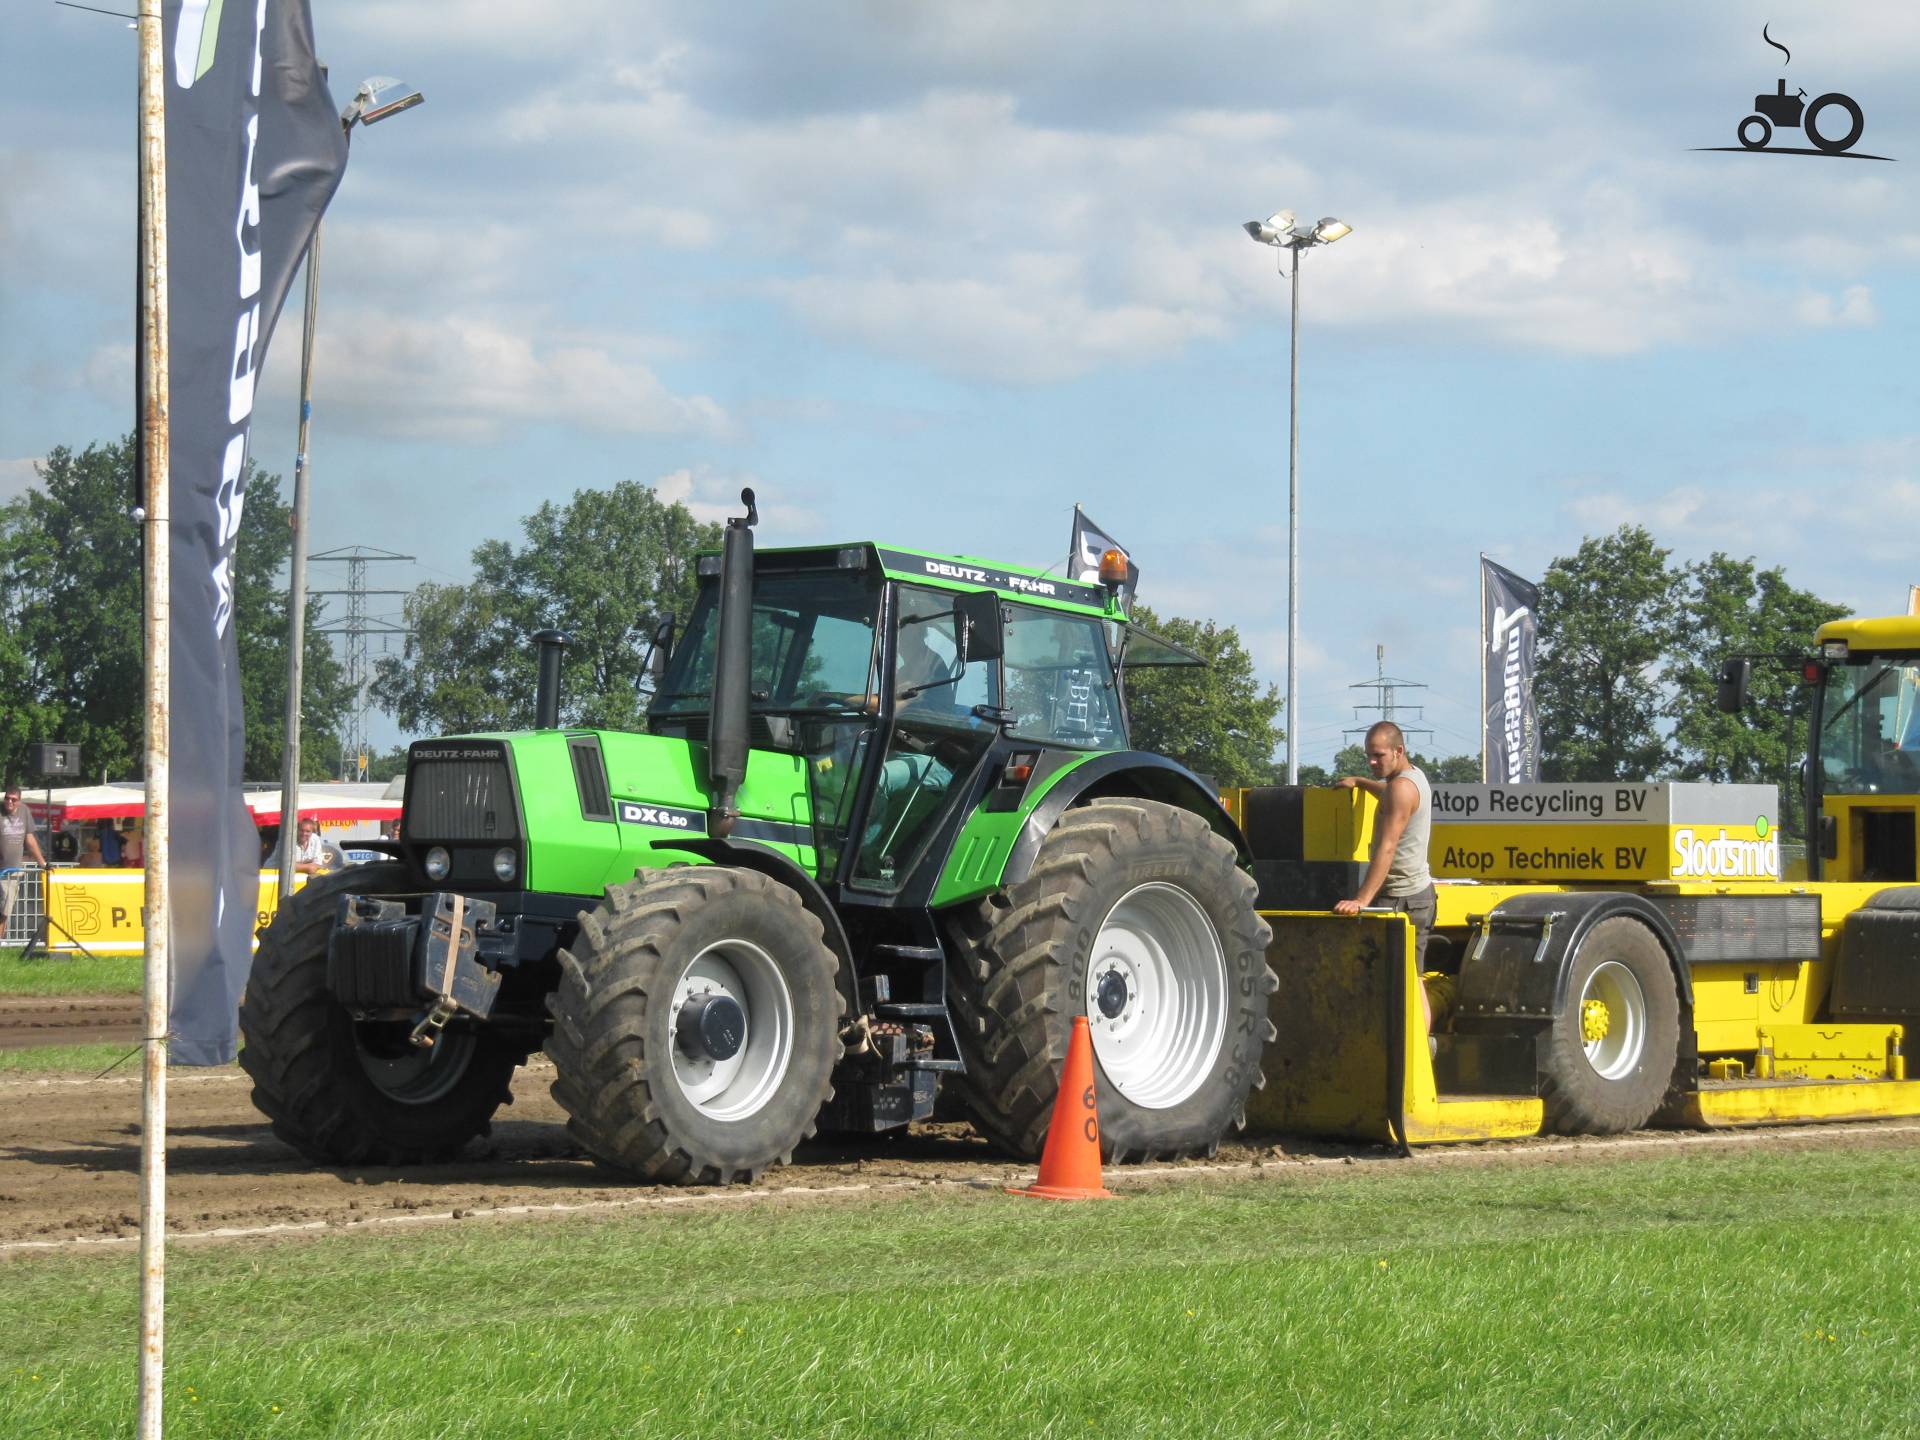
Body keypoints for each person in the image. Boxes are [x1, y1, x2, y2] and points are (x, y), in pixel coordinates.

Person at [1333, 722, 1437, 1031]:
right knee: (1404, 977)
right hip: (1415, 893)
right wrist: (1361, 782)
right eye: (1368, 756)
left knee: (1409, 978)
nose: (1372, 762)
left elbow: (1387, 850)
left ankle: (1419, 1052)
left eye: (1378, 756)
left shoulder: (1402, 789)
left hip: (1404, 898)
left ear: (1399, 750)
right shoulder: (1411, 779)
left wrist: (1360, 901)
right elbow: (1389, 794)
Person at [1, 785, 48, 937]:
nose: (9, 802)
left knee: (4, 913)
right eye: (7, 798)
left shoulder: (24, 812)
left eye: (13, 800)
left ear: (19, 801)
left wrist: (42, 863)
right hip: (1, 871)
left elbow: (29, 839)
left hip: (12, 872)